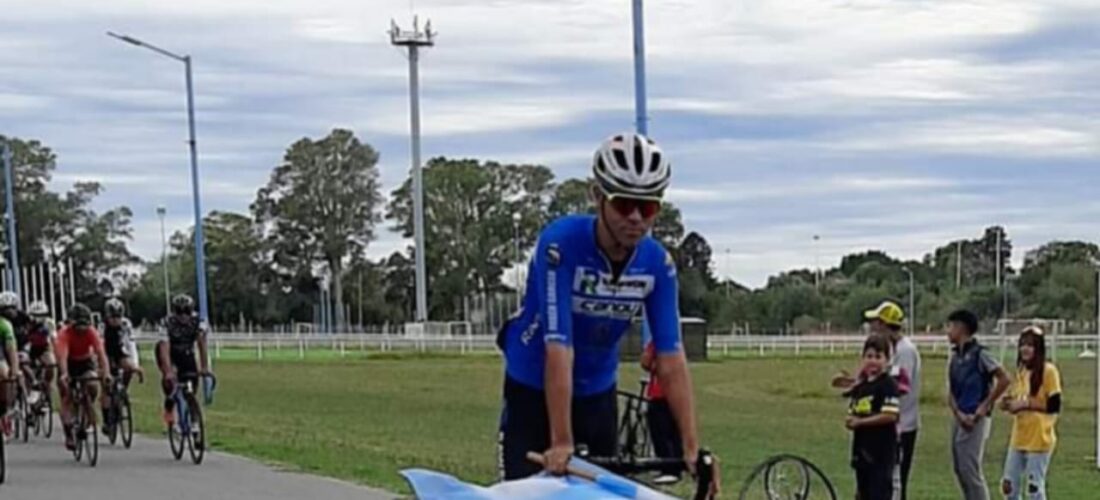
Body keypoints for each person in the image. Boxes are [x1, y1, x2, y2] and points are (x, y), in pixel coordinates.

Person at [497, 133, 715, 494]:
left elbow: (671, 357)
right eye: (623, 203)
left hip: (597, 389)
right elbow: (558, 347)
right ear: (597, 197)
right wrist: (561, 441)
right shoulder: (560, 244)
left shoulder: (657, 264)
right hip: (533, 384)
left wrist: (691, 447)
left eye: (647, 208)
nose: (635, 218)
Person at [833, 299, 921, 500]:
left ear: (884, 324)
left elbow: (899, 387)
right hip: (875, 431)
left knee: (891, 484)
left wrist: (865, 387)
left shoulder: (904, 350)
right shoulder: (888, 350)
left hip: (901, 426)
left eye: (875, 322)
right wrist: (856, 384)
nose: (872, 327)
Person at [946, 309, 1010, 500]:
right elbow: (951, 390)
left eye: (950, 326)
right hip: (960, 416)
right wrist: (957, 412)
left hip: (976, 417)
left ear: (961, 328)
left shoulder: (980, 354)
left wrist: (984, 406)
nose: (947, 331)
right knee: (960, 468)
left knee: (970, 469)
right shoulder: (955, 357)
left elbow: (1004, 378)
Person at [999, 326, 1061, 500]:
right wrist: (1008, 402)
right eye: (1023, 344)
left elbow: (1054, 405)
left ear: (1038, 349)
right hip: (1019, 437)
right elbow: (1018, 396)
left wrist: (1026, 404)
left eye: (1030, 345)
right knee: (1009, 486)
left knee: (1034, 489)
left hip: (1039, 438)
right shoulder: (1022, 372)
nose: (1025, 349)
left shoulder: (1049, 371)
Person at [844, 334, 901, 500]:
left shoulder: (888, 384)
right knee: (863, 493)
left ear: (887, 360)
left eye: (878, 357)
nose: (873, 361)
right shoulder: (861, 387)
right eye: (869, 356)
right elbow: (852, 413)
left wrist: (860, 422)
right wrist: (850, 421)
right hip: (862, 452)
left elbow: (890, 415)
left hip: (881, 454)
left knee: (880, 493)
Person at [56, 303, 111, 451]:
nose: (81, 330)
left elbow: (101, 354)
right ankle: (68, 432)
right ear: (71, 324)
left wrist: (106, 373)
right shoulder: (64, 334)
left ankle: (87, 405)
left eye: (84, 326)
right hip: (68, 363)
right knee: (66, 396)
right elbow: (63, 356)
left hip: (85, 362)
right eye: (78, 327)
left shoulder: (91, 332)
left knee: (92, 383)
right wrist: (64, 374)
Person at [155, 294, 211, 426]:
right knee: (170, 380)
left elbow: (201, 343)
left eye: (187, 311)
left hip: (186, 352)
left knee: (191, 386)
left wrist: (204, 367)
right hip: (170, 352)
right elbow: (164, 347)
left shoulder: (198, 321)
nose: (183, 316)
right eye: (179, 312)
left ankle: (194, 420)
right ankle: (169, 406)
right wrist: (168, 371)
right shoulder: (167, 322)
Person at [640, 334, 682, 484]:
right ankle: (677, 464)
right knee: (674, 432)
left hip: (659, 393)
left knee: (660, 432)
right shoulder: (674, 341)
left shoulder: (657, 342)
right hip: (676, 393)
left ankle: (668, 468)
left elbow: (645, 362)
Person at [100, 297, 143, 433]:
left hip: (119, 351)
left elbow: (131, 344)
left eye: (118, 317)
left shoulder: (126, 324)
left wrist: (135, 365)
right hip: (105, 353)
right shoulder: (101, 326)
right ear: (107, 315)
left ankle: (123, 390)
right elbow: (98, 347)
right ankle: (107, 420)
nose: (115, 320)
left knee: (129, 368)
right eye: (112, 317)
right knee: (106, 386)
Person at [23, 300, 57, 407]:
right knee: (25, 365)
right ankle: (31, 387)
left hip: (43, 347)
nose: (39, 318)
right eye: (36, 315)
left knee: (51, 364)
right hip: (29, 347)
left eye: (42, 315)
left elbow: (53, 338)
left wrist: (54, 353)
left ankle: (46, 385)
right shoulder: (26, 323)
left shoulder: (49, 323)